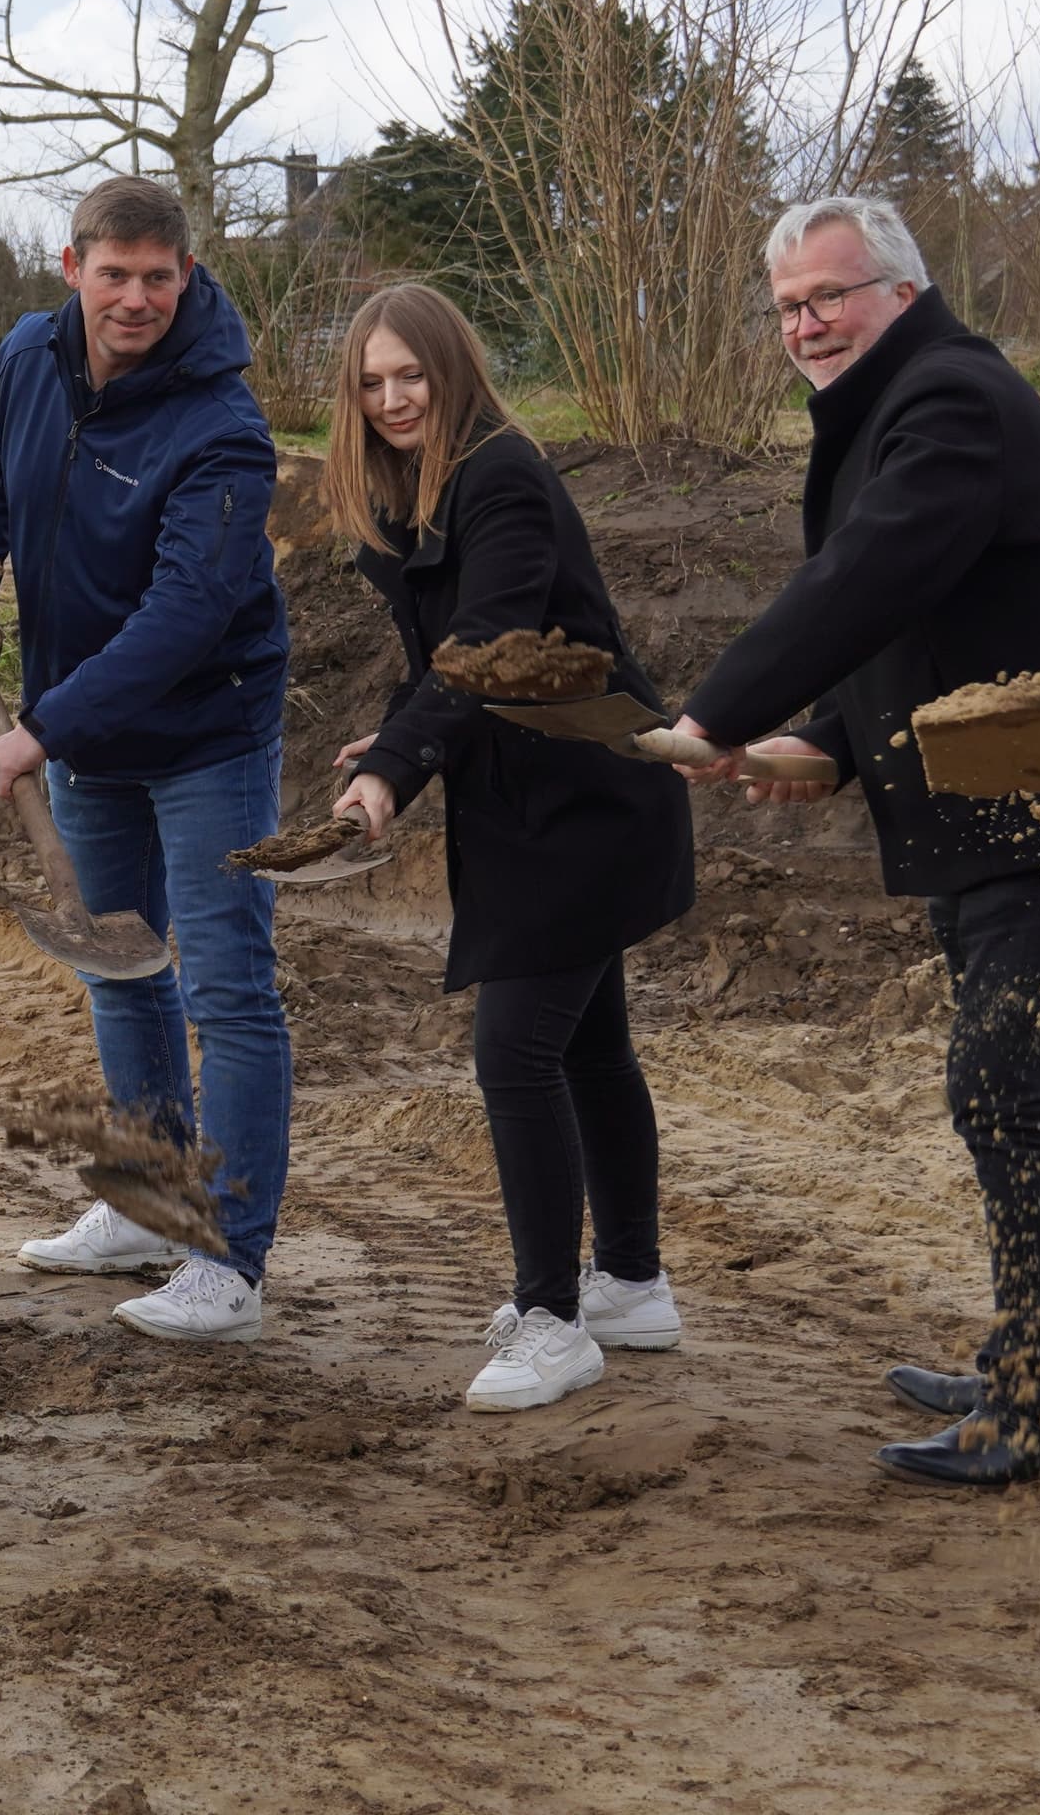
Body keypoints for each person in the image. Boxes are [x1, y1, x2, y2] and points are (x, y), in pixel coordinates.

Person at [665, 194, 1040, 1488]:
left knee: (1006, 1089)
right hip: (992, 816)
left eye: (830, 295)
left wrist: (721, 711)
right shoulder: (903, 406)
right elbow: (920, 615)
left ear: (903, 291)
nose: (807, 324)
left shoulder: (950, 401)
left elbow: (869, 575)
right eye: (787, 308)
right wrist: (829, 741)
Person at [321, 283, 694, 1413]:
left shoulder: (501, 476)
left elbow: (488, 641)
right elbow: (441, 654)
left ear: (452, 368)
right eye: (371, 383)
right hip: (536, 800)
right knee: (589, 1049)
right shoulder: (417, 489)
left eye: (410, 375)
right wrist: (396, 728)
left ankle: (553, 1319)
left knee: (516, 1052)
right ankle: (630, 1282)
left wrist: (395, 770)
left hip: (585, 801)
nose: (393, 399)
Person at [0, 174, 292, 1343]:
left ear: (186, 275)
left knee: (229, 989)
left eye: (157, 277)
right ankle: (147, 1200)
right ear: (71, 268)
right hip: (87, 725)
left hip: (207, 733)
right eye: (114, 275)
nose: (135, 298)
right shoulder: (28, 356)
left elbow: (188, 612)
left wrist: (45, 726)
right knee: (121, 966)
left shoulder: (224, 426)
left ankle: (228, 1262)